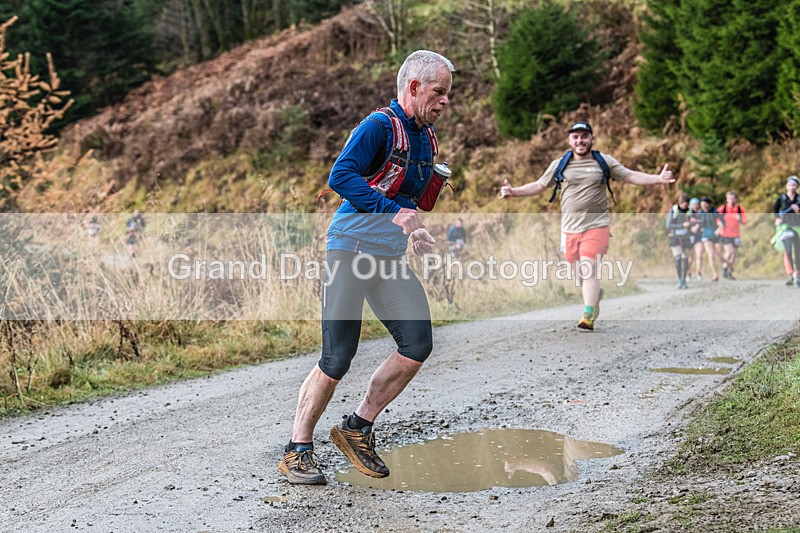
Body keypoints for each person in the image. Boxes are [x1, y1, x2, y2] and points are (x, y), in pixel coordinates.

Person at [278, 50, 454, 485]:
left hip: (388, 256)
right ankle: (297, 449)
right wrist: (391, 212)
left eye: (448, 93)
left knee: (417, 343)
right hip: (351, 249)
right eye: (439, 92)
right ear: (413, 87)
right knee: (337, 356)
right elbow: (341, 176)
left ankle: (357, 428)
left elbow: (409, 199)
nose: (445, 101)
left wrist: (412, 226)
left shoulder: (426, 138)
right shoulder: (379, 126)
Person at [499, 121, 675, 330]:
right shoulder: (560, 164)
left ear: (592, 138)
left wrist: (658, 179)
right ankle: (595, 295)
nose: (580, 140)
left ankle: (588, 315)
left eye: (584, 136)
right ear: (570, 140)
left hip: (597, 225)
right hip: (569, 228)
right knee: (578, 275)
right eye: (576, 137)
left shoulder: (604, 162)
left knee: (589, 268)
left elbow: (630, 175)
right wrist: (514, 192)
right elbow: (539, 185)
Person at [772, 175, 800, 287]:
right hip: (785, 227)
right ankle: (790, 274)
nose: (792, 187)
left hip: (797, 228)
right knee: (788, 251)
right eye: (790, 185)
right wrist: (777, 218)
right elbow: (775, 210)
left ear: (797, 186)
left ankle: (797, 274)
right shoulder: (781, 198)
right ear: (786, 186)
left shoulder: (799, 199)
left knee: (797, 252)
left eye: (794, 185)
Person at [717, 191, 747, 280]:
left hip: (736, 234)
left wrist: (740, 219)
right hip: (725, 233)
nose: (731, 200)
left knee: (733, 254)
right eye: (729, 198)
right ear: (726, 199)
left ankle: (728, 271)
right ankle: (725, 268)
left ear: (735, 199)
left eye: (732, 198)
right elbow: (716, 218)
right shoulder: (722, 209)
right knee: (729, 252)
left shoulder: (739, 209)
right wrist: (719, 224)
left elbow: (744, 221)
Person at [666, 194, 693, 289]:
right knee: (678, 258)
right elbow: (668, 225)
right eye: (685, 205)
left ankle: (684, 279)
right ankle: (679, 279)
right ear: (680, 203)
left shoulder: (690, 211)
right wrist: (682, 225)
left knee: (685, 258)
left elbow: (693, 221)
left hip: (686, 237)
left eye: (687, 205)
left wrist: (692, 224)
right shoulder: (673, 210)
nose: (686, 207)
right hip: (675, 237)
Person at [697, 197, 724, 281]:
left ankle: (728, 265)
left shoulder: (714, 211)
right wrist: (696, 227)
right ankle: (714, 274)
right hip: (706, 236)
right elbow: (697, 222)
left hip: (715, 235)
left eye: (705, 203)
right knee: (710, 255)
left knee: (720, 256)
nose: (703, 205)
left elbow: (722, 221)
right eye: (702, 203)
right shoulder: (700, 213)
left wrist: (719, 229)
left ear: (708, 204)